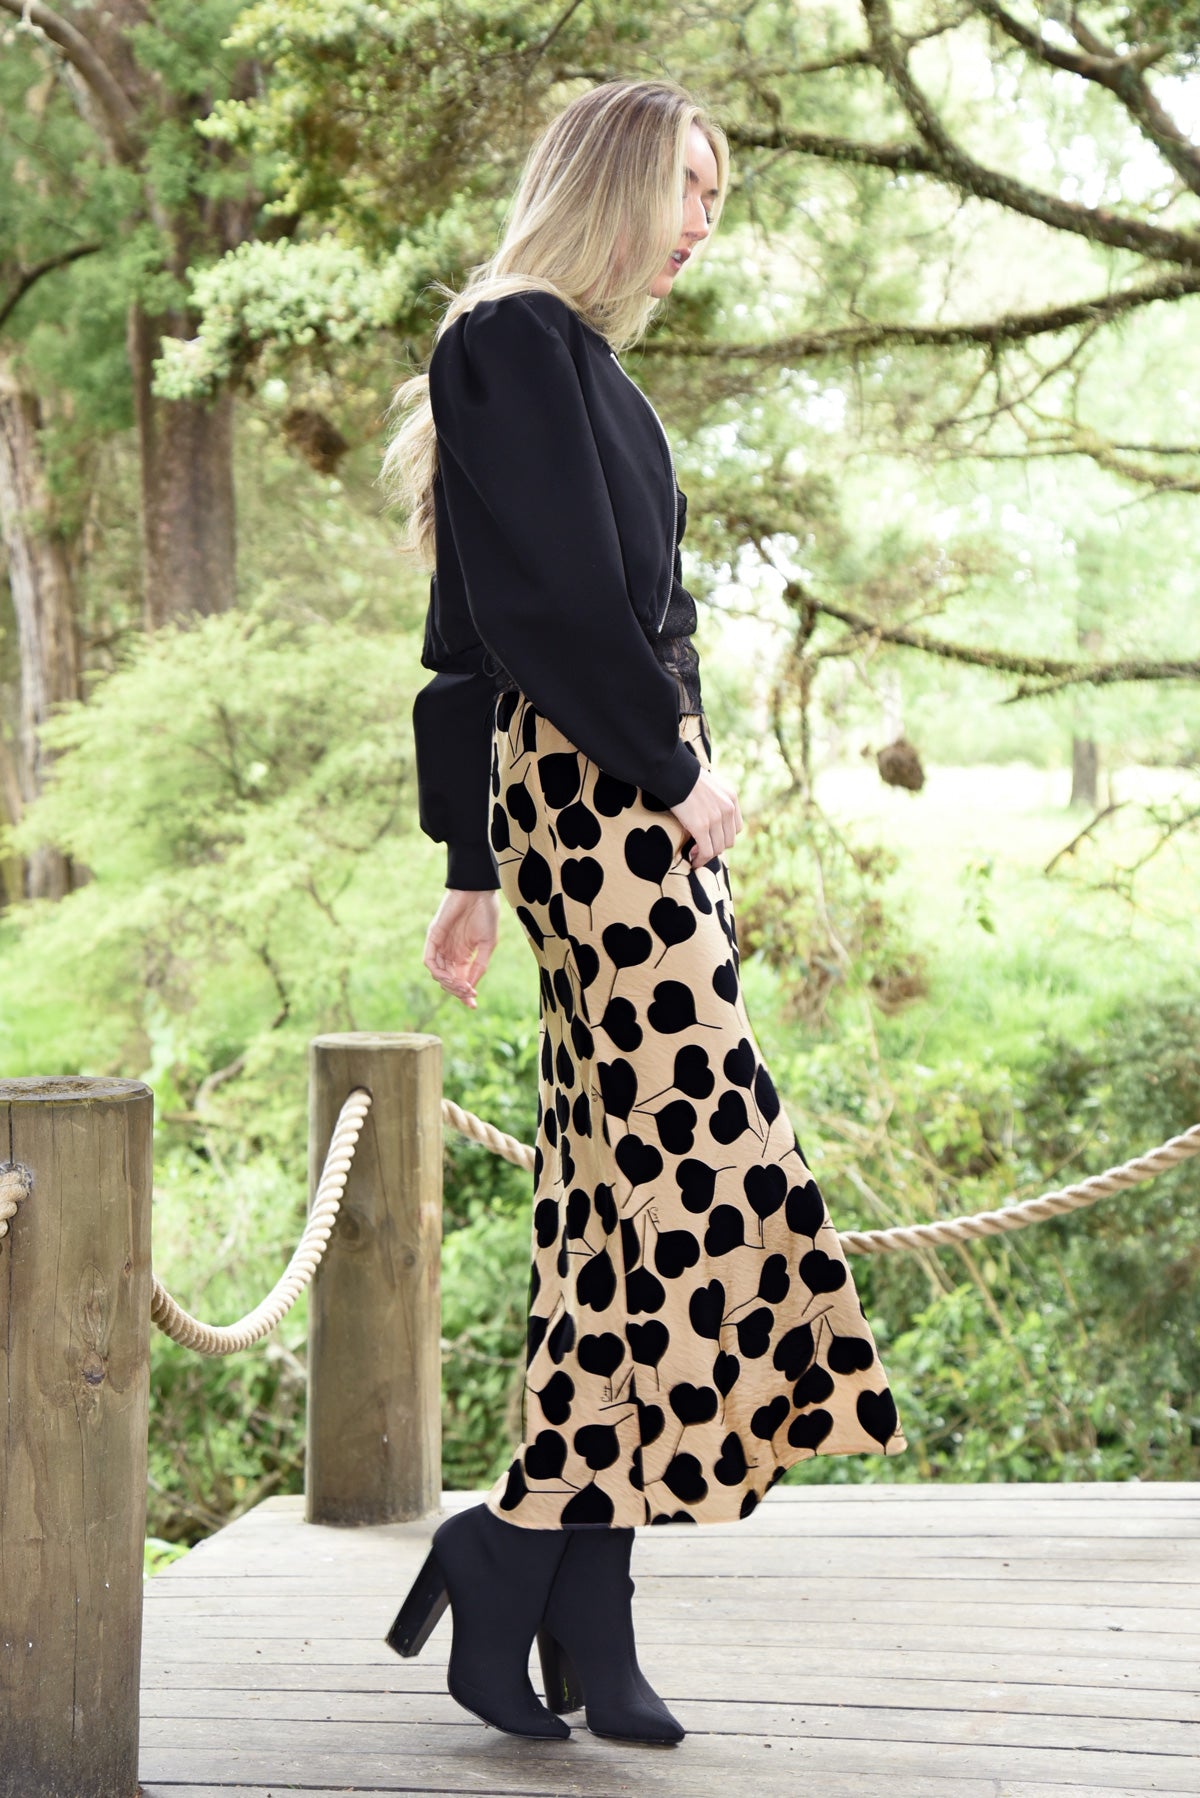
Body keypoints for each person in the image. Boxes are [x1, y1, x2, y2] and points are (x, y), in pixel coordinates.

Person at [380, 76, 906, 1747]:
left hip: (627, 794)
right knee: (702, 1158)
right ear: (611, 179)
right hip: (609, 790)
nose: (701, 226)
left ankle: (572, 1593)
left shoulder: (581, 367)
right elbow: (522, 617)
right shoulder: (507, 340)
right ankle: (523, 1542)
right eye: (688, 187)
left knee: (615, 1198)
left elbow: (485, 628)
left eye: (718, 199)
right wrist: (661, 775)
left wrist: (476, 869)